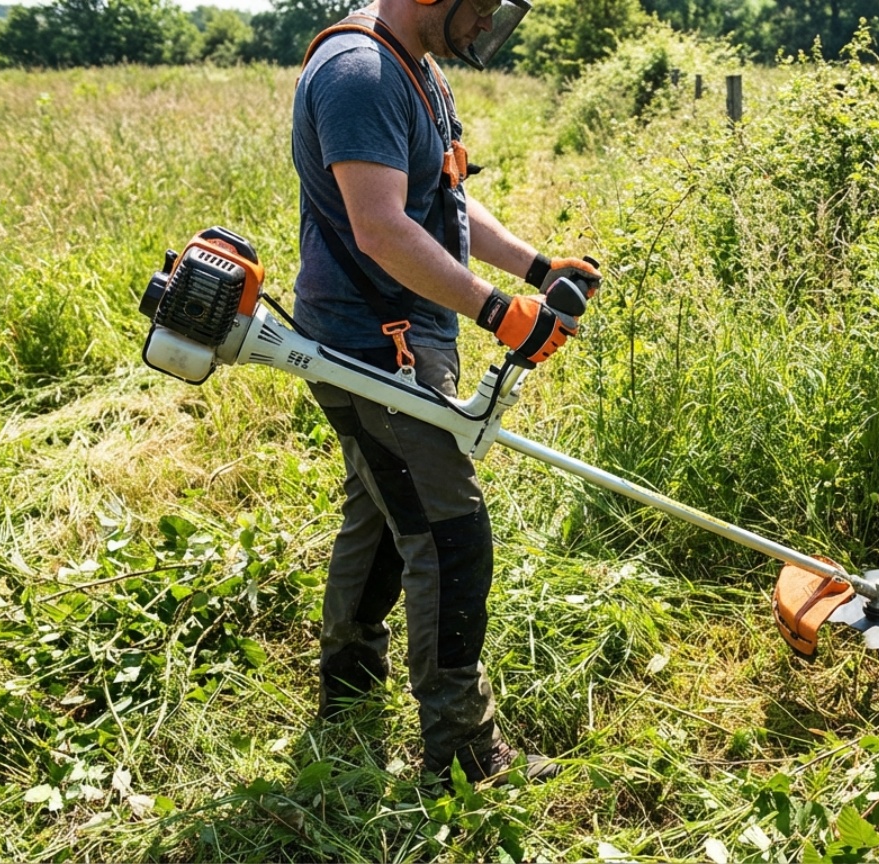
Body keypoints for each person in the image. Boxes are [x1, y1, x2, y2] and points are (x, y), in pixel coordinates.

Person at [291, 0, 601, 784]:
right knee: (450, 537)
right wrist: (499, 314)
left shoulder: (414, 63)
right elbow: (382, 228)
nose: (488, 23)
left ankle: (349, 689)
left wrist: (539, 271)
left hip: (398, 335)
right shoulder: (360, 72)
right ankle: (464, 752)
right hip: (372, 344)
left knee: (383, 511)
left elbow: (446, 202)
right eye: (483, 6)